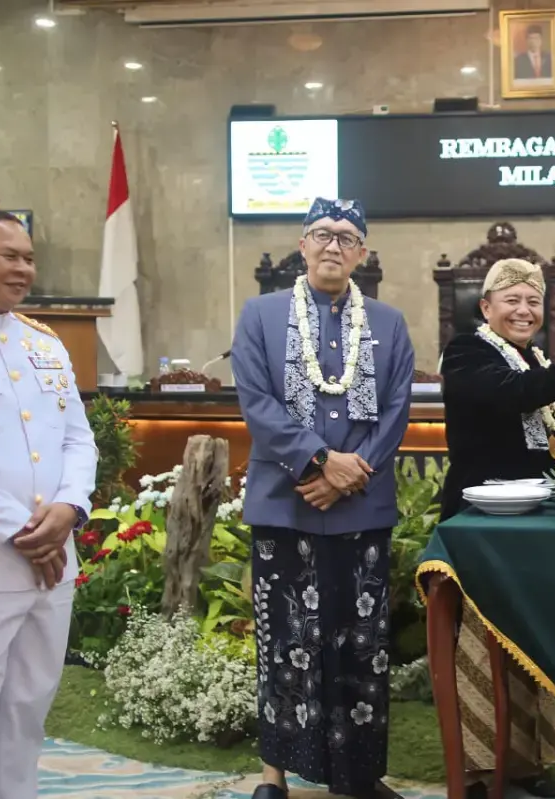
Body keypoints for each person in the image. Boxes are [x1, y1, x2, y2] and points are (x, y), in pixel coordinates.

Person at [232, 197, 415, 799]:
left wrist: (349, 474)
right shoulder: (260, 314)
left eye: (346, 237)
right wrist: (320, 462)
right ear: (302, 245)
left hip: (360, 504)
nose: (333, 245)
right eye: (322, 234)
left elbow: (394, 410)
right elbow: (258, 403)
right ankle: (273, 775)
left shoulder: (389, 323)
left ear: (361, 253)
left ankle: (358, 773)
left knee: (361, 644)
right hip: (286, 501)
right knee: (285, 638)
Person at [440, 257, 555, 799]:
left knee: (529, 644)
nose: (524, 310)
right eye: (512, 300)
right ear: (486, 307)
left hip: (532, 524)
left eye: (533, 301)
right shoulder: (468, 352)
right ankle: (475, 770)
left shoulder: (530, 358)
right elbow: (509, 396)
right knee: (481, 646)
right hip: (482, 526)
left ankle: (525, 763)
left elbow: (541, 452)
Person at [0, 210, 97, 799]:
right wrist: (24, 533)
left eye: (29, 257)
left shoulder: (44, 342)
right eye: (9, 256)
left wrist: (70, 508)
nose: (25, 269)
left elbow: (78, 437)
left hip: (52, 565)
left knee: (26, 709)